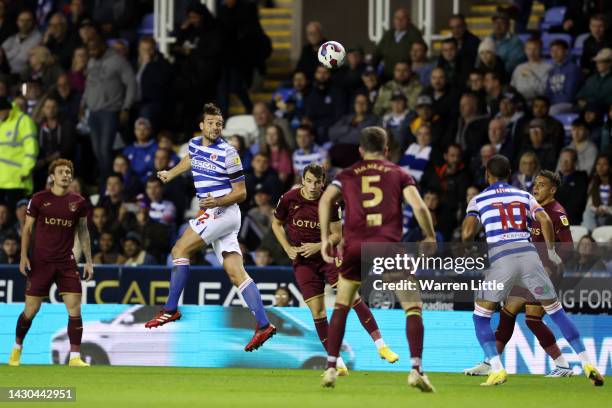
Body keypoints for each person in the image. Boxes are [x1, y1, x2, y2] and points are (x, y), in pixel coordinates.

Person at [461, 154, 604, 386]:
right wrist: (551, 251)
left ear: (487, 175)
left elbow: (467, 233)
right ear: (510, 175)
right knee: (545, 312)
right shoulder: (524, 195)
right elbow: (544, 221)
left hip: (506, 260)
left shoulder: (479, 199)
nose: (537, 187)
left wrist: (469, 244)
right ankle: (586, 361)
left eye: (542, 184)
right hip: (530, 259)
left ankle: (497, 367)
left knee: (482, 316)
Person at [143, 104, 276, 352]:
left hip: (222, 210)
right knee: (236, 272)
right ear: (202, 126)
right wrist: (170, 173)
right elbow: (190, 159)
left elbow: (241, 192)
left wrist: (216, 201)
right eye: (211, 122)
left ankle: (170, 309)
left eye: (219, 123)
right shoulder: (195, 144)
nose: (216, 127)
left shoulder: (229, 153)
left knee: (179, 250)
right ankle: (263, 324)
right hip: (217, 213)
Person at [319, 126, 437, 391]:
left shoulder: (347, 174)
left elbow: (326, 200)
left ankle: (330, 368)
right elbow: (418, 206)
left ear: (361, 151)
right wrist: (429, 236)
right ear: (386, 150)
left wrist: (327, 235)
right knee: (413, 305)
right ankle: (416, 369)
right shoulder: (399, 173)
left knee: (342, 304)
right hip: (387, 246)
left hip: (354, 246)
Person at [272, 163, 399, 377]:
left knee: (352, 298)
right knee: (318, 312)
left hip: (327, 257)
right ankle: (338, 363)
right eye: (309, 181)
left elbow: (336, 235)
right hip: (303, 262)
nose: (313, 187)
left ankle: (381, 346)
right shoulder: (289, 199)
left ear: (323, 183)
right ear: (303, 180)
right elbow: (276, 223)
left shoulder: (330, 201)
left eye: (317, 182)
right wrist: (287, 248)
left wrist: (318, 245)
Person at [464, 170, 576, 378]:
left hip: (543, 272)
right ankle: (490, 361)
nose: (536, 188)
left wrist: (551, 264)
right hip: (525, 269)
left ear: (552, 190)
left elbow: (568, 247)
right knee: (508, 311)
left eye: (542, 185)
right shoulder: (531, 207)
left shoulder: (556, 212)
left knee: (533, 319)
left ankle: (563, 365)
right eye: (535, 184)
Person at [9, 159, 93, 367]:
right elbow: (27, 229)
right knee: (31, 309)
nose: (66, 175)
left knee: (75, 308)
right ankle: (17, 349)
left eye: (69, 172)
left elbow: (83, 231)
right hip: (41, 262)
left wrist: (89, 261)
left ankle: (74, 357)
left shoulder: (79, 202)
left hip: (66, 263)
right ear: (52, 177)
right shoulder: (38, 199)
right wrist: (23, 256)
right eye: (61, 172)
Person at [83, 34, 136, 188]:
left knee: (105, 151)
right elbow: (89, 85)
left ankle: (107, 184)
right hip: (93, 112)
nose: (91, 52)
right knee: (97, 151)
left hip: (110, 111)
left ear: (103, 45)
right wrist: (83, 104)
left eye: (94, 49)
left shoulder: (118, 61)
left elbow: (131, 84)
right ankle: (106, 182)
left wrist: (126, 107)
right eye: (89, 50)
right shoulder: (92, 61)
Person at [0, 97, 38, 211]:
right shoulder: (2, 123)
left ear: (7, 109)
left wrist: (26, 170)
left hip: (18, 180)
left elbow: (31, 148)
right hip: (1, 181)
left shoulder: (23, 120)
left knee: (17, 217)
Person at [33, 97, 76, 191]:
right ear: (43, 109)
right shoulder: (38, 126)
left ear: (58, 108)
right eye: (48, 107)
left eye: (53, 107)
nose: (51, 110)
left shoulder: (66, 125)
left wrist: (45, 161)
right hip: (42, 165)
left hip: (61, 164)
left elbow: (66, 148)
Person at [373, 7, 424, 80]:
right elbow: (376, 54)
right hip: (387, 76)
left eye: (403, 18)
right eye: (397, 18)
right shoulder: (388, 34)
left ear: (408, 20)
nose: (399, 21)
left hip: (407, 78)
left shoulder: (414, 35)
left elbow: (421, 53)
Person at [304, 65, 348, 141]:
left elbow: (338, 116)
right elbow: (308, 113)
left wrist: (316, 123)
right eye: (319, 72)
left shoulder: (337, 92)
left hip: (331, 127)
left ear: (330, 75)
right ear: (315, 74)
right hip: (314, 126)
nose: (322, 76)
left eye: (325, 73)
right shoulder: (311, 92)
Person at [546, 40, 582, 114]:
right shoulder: (552, 70)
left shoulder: (573, 69)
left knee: (550, 111)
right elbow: (548, 91)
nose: (554, 53)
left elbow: (570, 95)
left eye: (558, 50)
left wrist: (551, 104)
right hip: (554, 104)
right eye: (552, 51)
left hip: (569, 104)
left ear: (566, 51)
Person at [1, 10, 41, 74]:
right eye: (22, 21)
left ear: (33, 22)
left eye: (28, 20)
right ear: (17, 22)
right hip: (6, 72)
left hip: (25, 75)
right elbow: (2, 51)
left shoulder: (39, 38)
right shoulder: (12, 38)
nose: (25, 23)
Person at [556, 148, 589, 225]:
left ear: (574, 162)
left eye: (568, 160)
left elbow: (577, 203)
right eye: (562, 159)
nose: (564, 162)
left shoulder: (581, 178)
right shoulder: (554, 179)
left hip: (572, 220)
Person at [123, 118, 158, 184]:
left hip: (150, 183)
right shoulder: (128, 149)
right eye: (138, 129)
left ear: (150, 130)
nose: (141, 132)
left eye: (144, 129)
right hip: (130, 184)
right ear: (134, 131)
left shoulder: (156, 148)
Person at [582, 155, 612, 231]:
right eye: (598, 164)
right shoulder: (593, 183)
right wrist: (597, 209)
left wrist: (605, 209)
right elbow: (589, 205)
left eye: (604, 164)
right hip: (597, 216)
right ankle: (591, 236)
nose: (601, 167)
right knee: (588, 213)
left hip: (609, 216)